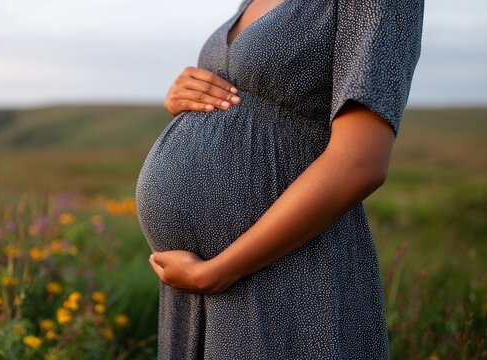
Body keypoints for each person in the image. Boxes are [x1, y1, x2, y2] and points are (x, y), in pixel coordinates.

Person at [134, 0, 424, 358]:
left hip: (286, 274)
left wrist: (219, 271)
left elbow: (360, 162)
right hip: (196, 286)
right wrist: (184, 96)